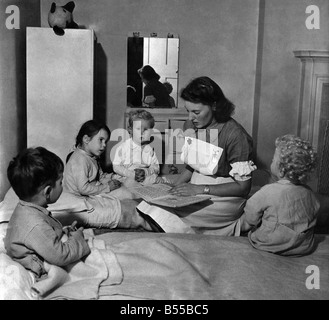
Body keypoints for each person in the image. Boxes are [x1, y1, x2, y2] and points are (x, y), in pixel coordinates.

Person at [137, 76, 257, 235]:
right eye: (188, 111)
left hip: (224, 196)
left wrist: (199, 189)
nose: (189, 118)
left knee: (165, 217)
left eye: (196, 112)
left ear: (214, 106)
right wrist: (174, 188)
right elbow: (193, 166)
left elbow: (243, 188)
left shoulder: (236, 135)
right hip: (196, 190)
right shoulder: (194, 126)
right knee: (148, 206)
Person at [4, 147, 91, 279]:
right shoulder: (34, 224)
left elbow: (46, 233)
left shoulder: (27, 208)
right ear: (48, 191)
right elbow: (61, 256)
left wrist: (66, 231)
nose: (63, 186)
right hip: (36, 266)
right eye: (60, 182)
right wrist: (77, 238)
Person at [63, 120, 153, 230]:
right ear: (86, 139)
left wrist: (114, 178)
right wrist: (108, 187)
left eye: (105, 141)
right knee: (128, 196)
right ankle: (148, 214)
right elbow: (83, 189)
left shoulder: (91, 157)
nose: (104, 145)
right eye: (101, 140)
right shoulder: (79, 159)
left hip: (94, 191)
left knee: (130, 186)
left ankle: (149, 207)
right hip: (84, 198)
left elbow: (100, 176)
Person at [240, 134, 320, 256]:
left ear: (281, 170)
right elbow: (314, 211)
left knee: (247, 225)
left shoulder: (268, 191)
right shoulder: (309, 193)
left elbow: (251, 214)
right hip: (303, 246)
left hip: (271, 244)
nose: (271, 162)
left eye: (273, 160)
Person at [112, 109, 166, 185]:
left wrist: (145, 172)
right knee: (122, 183)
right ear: (130, 130)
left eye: (146, 130)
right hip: (126, 176)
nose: (141, 133)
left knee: (156, 180)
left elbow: (156, 167)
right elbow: (116, 167)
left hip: (143, 176)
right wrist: (131, 174)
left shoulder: (150, 149)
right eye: (138, 129)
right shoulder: (123, 147)